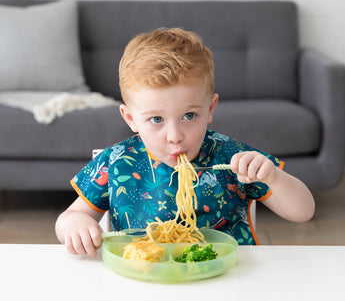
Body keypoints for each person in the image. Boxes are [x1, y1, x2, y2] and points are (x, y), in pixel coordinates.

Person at [55, 27, 315, 256]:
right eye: (156, 119)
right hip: (144, 279)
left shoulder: (232, 157)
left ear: (210, 108)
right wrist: (74, 225)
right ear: (131, 118)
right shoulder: (116, 162)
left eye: (189, 116)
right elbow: (68, 218)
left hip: (229, 277)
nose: (175, 135)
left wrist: (275, 179)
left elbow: (304, 212)